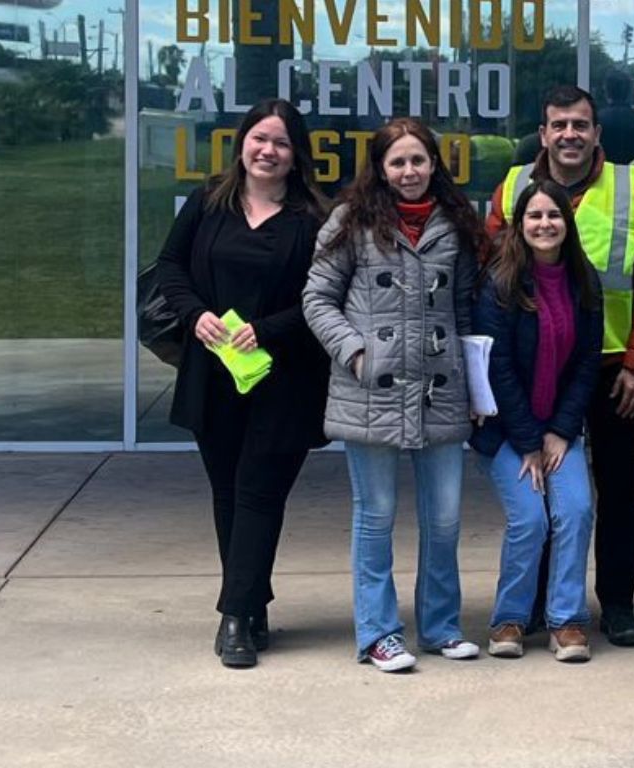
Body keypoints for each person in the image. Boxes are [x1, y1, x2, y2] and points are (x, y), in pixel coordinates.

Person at [487, 85, 634, 649]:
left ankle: (616, 604)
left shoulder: (632, 188)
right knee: (542, 485)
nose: (570, 134)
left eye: (581, 125)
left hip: (615, 368)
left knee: (617, 489)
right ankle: (541, 606)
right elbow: (490, 273)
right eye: (558, 125)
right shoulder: (513, 188)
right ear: (542, 134)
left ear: (597, 133)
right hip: (540, 366)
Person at [153, 98, 331, 669]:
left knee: (259, 491)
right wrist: (193, 314)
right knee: (228, 492)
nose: (268, 151)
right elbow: (169, 267)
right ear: (242, 143)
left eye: (280, 142)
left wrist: (267, 330)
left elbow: (321, 299)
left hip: (282, 380)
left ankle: (233, 618)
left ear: (295, 153)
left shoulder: (313, 219)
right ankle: (252, 603)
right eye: (259, 138)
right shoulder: (209, 202)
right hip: (212, 373)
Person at [303, 117, 483, 673]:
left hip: (441, 390)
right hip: (371, 393)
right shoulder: (350, 221)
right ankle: (378, 633)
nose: (409, 172)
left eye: (418, 160)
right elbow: (317, 299)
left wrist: (475, 383)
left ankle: (440, 627)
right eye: (398, 161)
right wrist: (358, 353)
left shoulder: (456, 222)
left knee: (446, 517)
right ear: (380, 168)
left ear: (434, 163)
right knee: (375, 516)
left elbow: (465, 310)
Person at [473, 179, 605, 663]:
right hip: (508, 432)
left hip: (558, 432)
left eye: (553, 216)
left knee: (574, 510)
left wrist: (560, 432)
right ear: (519, 224)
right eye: (534, 216)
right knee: (530, 518)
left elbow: (588, 362)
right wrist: (529, 440)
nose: (544, 224)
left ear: (566, 225)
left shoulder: (583, 282)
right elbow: (498, 368)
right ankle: (510, 617)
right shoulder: (499, 283)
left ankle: (567, 621)